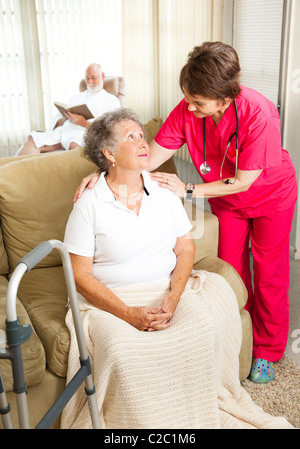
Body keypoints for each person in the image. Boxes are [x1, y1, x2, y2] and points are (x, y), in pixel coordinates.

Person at [74, 42, 298, 385]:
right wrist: (104, 169)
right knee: (232, 271)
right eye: (188, 98)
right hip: (227, 201)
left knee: (269, 271)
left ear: (225, 99)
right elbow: (150, 155)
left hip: (269, 197)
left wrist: (189, 189)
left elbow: (243, 181)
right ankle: (245, 338)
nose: (189, 109)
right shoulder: (189, 107)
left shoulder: (259, 114)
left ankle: (268, 349)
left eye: (199, 104)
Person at [61, 108, 292, 429]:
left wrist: (172, 299)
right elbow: (80, 276)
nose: (144, 142)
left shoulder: (163, 191)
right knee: (121, 352)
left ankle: (191, 419)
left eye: (142, 135)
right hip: (112, 302)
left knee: (201, 329)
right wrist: (129, 314)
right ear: (109, 153)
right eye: (132, 137)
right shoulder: (89, 202)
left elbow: (185, 248)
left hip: (167, 289)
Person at [16, 63, 120, 155]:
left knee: (73, 145)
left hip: (83, 134)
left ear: (102, 76)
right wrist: (65, 117)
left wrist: (83, 122)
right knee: (32, 138)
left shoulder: (112, 101)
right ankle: (16, 174)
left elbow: (110, 130)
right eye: (87, 78)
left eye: (93, 77)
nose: (90, 81)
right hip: (63, 131)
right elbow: (57, 121)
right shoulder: (76, 98)